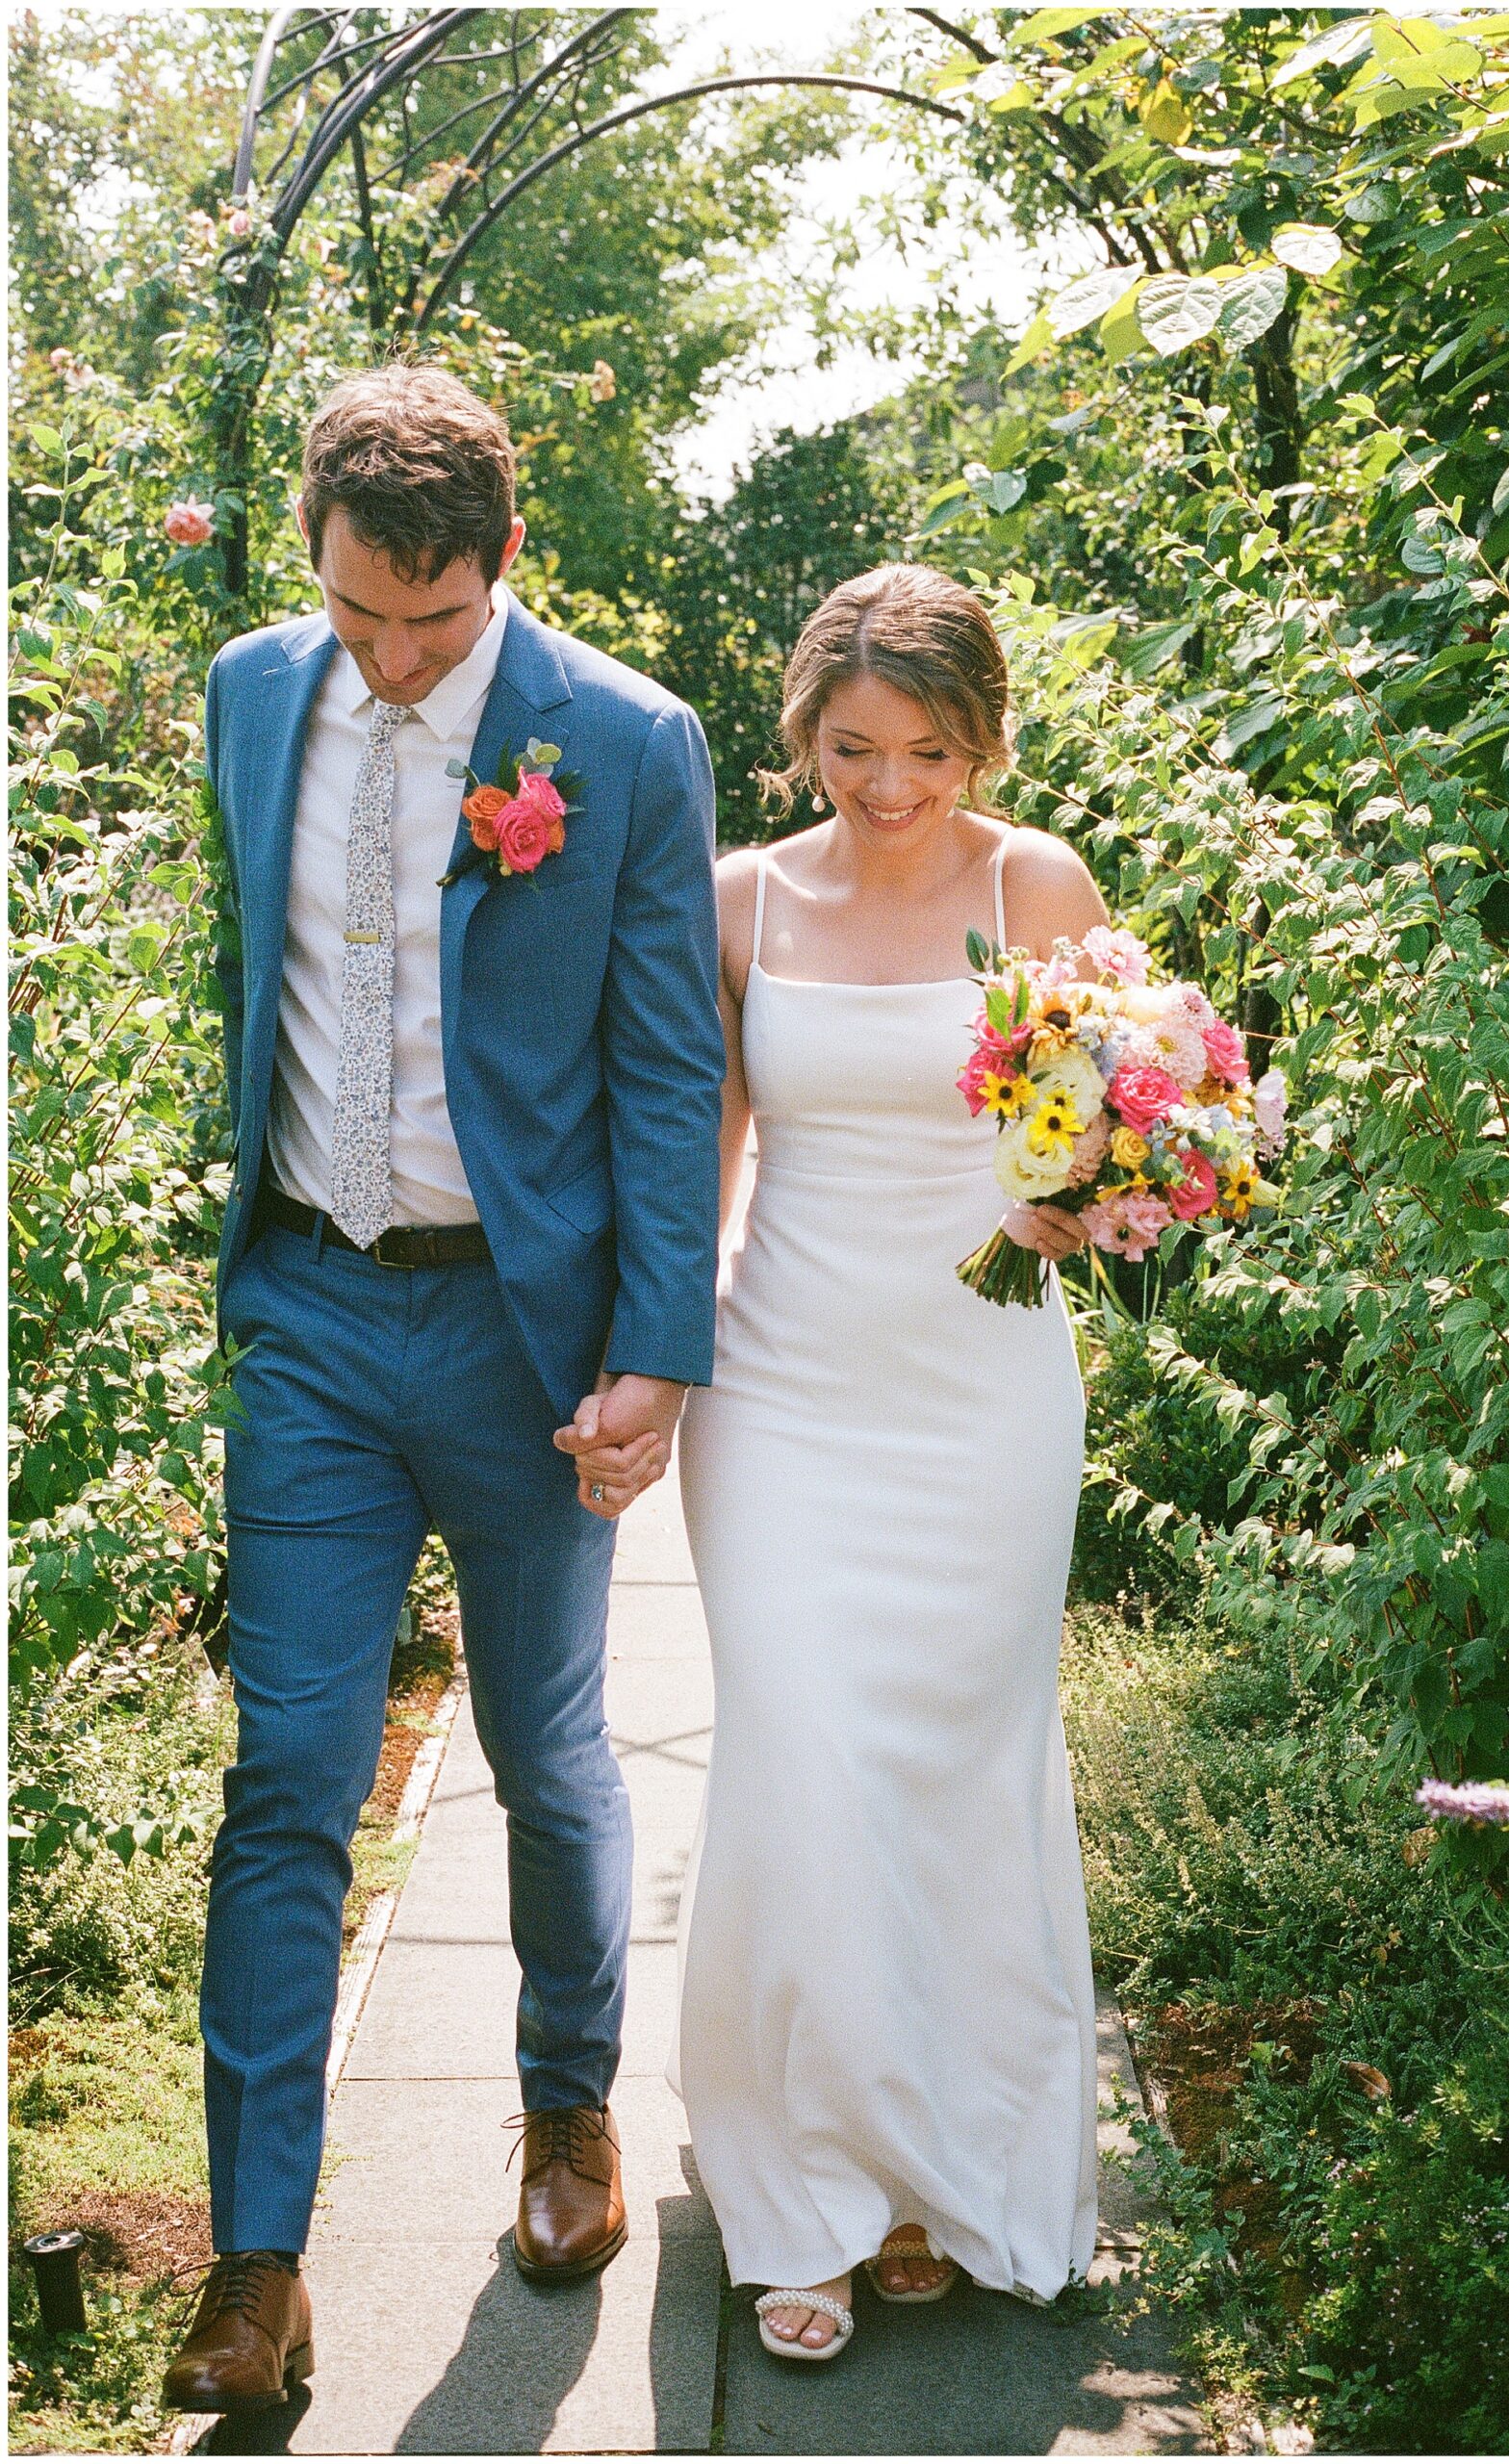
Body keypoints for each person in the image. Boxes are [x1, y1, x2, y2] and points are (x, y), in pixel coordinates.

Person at [163, 363, 723, 2417]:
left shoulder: (631, 742)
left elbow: (668, 1064)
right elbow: (251, 972)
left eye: (439, 624)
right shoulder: (248, 691)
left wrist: (655, 1345)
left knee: (549, 1743)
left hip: (520, 1325)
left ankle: (566, 2117)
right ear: (312, 556)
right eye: (359, 619)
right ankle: (257, 2256)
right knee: (286, 1776)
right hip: (309, 1310)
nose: (393, 663)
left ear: (504, 559)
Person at [674, 565, 1105, 2362]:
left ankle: (933, 2176)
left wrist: (1086, 1197)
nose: (890, 782)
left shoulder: (1040, 885)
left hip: (984, 1391)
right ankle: (805, 2193)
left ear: (980, 738)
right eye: (853, 746)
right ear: (805, 737)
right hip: (780, 1395)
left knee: (952, 1769)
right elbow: (700, 1162)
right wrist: (651, 1371)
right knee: (806, 1765)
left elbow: (1121, 1122)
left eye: (927, 748)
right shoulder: (742, 904)